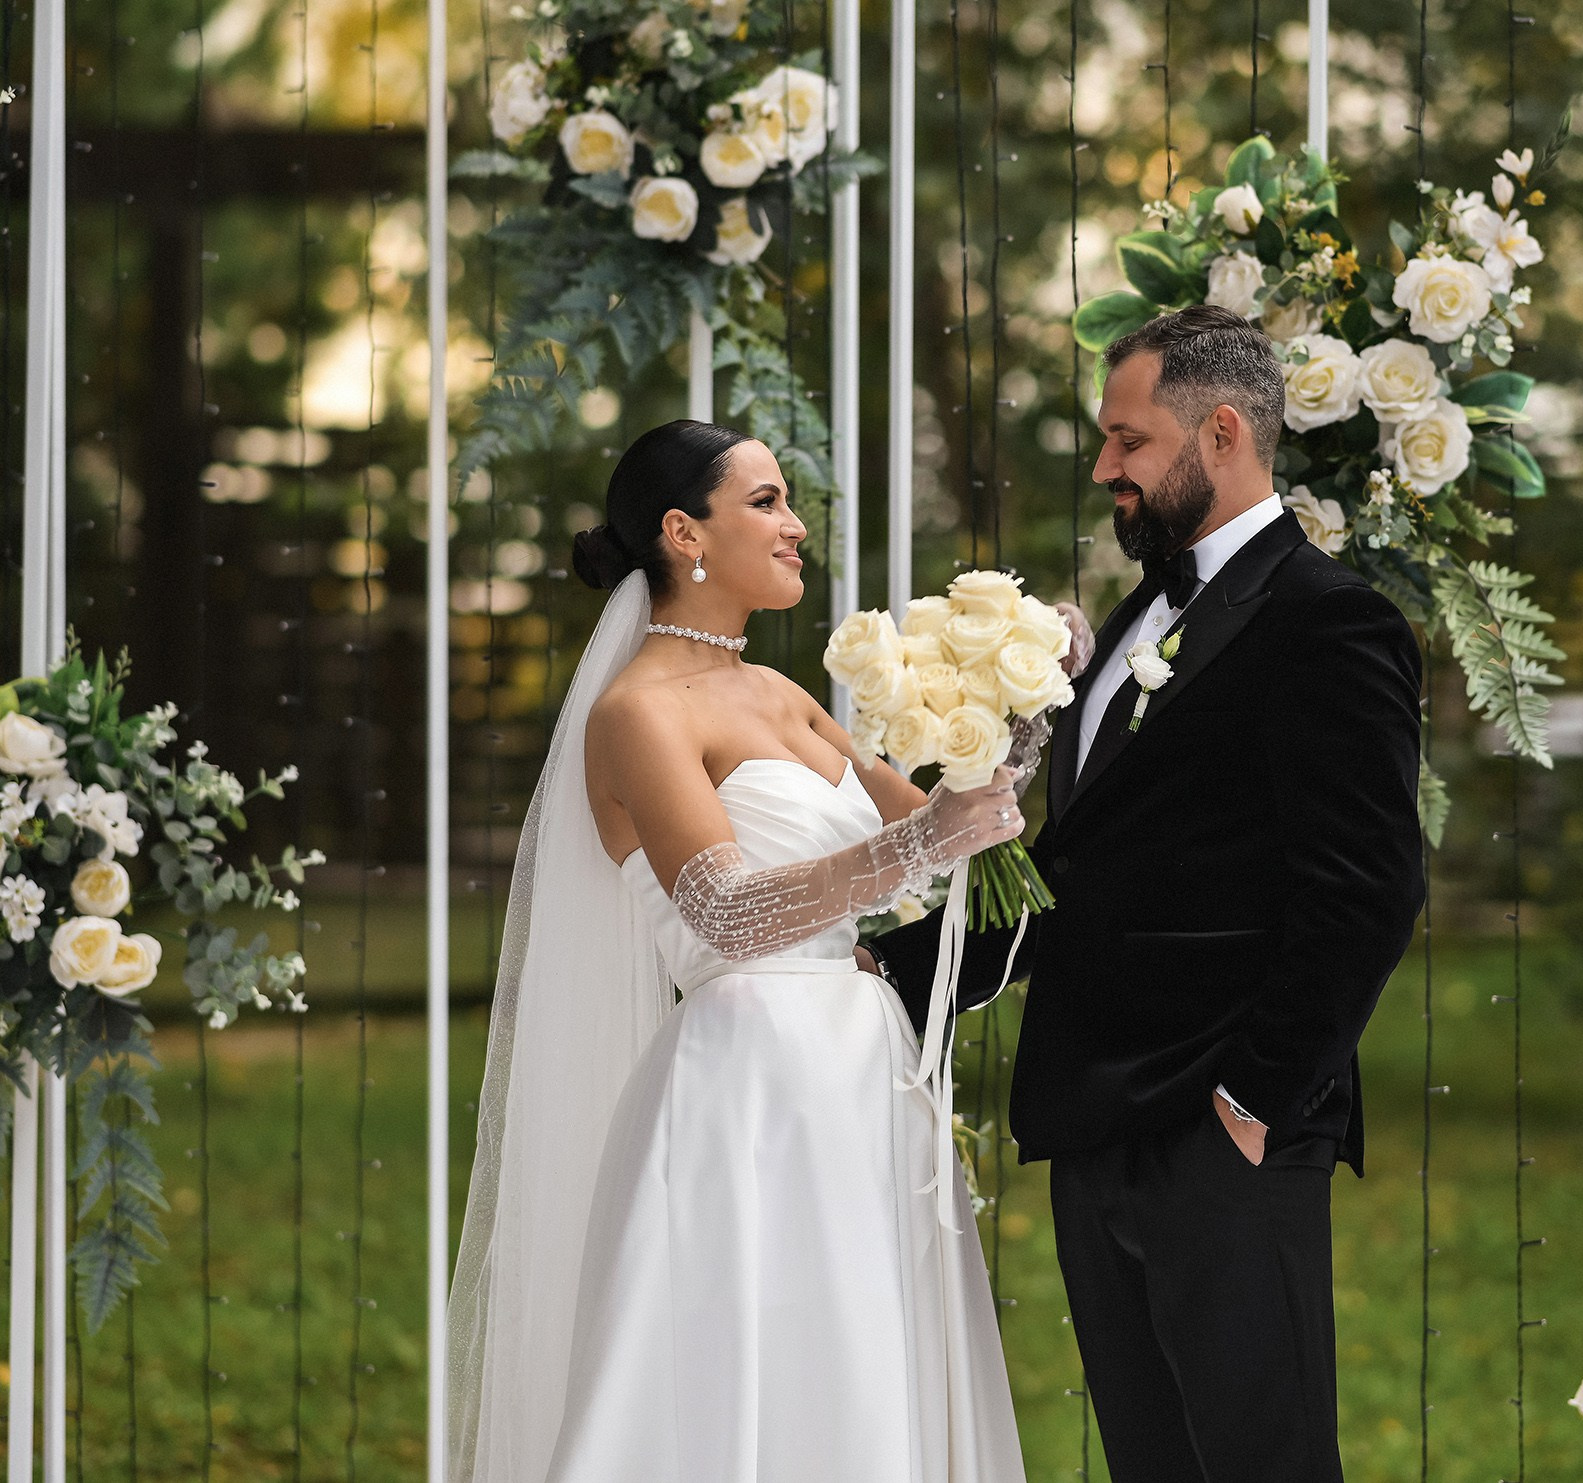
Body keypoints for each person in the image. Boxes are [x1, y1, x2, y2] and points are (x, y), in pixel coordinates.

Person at [865, 306, 1428, 1483]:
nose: (1105, 467)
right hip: (1097, 1127)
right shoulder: (1131, 620)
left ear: (1219, 432)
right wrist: (893, 979)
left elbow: (1367, 890)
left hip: (1223, 1132)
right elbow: (1080, 873)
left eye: (1127, 442)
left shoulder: (1331, 623)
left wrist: (1254, 1102)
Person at [447, 419, 1044, 1483]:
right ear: (685, 532)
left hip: (865, 1069)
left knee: (872, 1348)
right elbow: (725, 913)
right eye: (765, 502)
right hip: (748, 1080)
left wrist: (1015, 717)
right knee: (761, 1364)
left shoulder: (784, 696)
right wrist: (923, 839)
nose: (795, 526)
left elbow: (945, 842)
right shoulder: (636, 711)